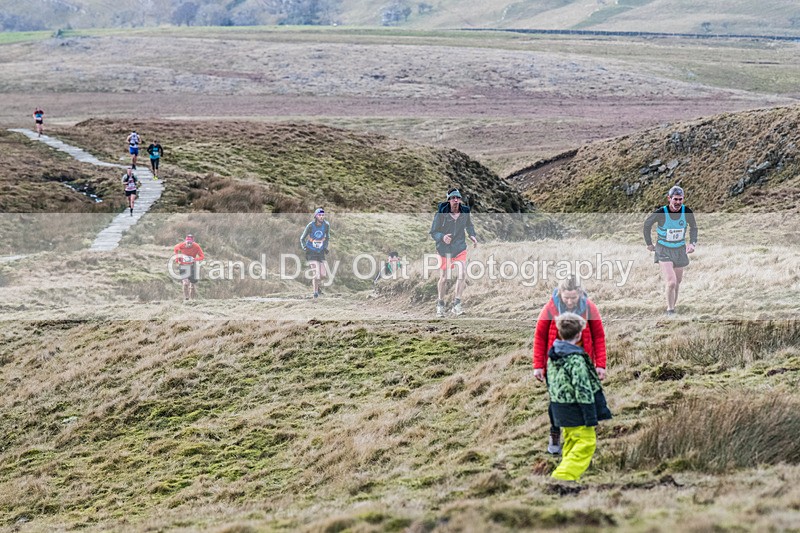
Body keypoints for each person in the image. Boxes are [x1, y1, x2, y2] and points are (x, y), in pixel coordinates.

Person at [533, 275, 607, 455]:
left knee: (582, 398)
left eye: (573, 298)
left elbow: (598, 336)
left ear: (580, 294)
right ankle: (555, 432)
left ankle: (580, 435)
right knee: (557, 400)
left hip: (582, 362)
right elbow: (540, 336)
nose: (570, 301)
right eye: (566, 298)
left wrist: (600, 364)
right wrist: (538, 365)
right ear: (560, 294)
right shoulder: (550, 308)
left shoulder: (589, 308)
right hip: (556, 365)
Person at [546, 312, 612, 483]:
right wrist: (590, 416)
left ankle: (567, 479)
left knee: (571, 443)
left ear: (560, 332)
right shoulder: (576, 359)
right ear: (579, 334)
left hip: (560, 409)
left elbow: (551, 383)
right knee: (586, 443)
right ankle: (562, 478)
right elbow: (583, 389)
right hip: (576, 410)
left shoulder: (553, 355)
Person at [643, 185, 698, 315]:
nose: (678, 202)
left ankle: (673, 306)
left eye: (680, 199)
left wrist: (692, 244)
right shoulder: (661, 213)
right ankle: (670, 310)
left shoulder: (687, 212)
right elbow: (647, 225)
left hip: (679, 250)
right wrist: (649, 244)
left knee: (677, 282)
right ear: (669, 198)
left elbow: (694, 228)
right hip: (663, 249)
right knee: (671, 282)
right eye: (675, 199)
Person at [429, 188, 478, 317]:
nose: (456, 200)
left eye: (458, 198)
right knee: (444, 278)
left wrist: (472, 235)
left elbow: (469, 225)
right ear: (449, 200)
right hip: (444, 249)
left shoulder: (465, 211)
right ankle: (440, 305)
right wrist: (442, 237)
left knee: (462, 273)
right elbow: (433, 232)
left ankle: (456, 305)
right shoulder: (441, 214)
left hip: (459, 247)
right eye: (453, 198)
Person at [300, 208, 331, 299]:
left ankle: (316, 284)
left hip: (320, 251)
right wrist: (304, 247)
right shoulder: (310, 225)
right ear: (316, 216)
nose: (321, 217)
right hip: (311, 251)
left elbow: (327, 237)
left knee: (323, 275)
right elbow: (302, 238)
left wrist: (325, 247)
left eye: (323, 215)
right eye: (319, 215)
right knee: (316, 274)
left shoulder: (326, 225)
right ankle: (315, 293)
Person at [173, 234, 205, 301]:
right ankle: (186, 299)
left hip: (192, 265)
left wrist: (194, 259)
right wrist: (177, 259)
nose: (189, 244)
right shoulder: (180, 246)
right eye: (188, 243)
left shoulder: (196, 246)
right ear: (185, 241)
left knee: (192, 285)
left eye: (191, 243)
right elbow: (175, 250)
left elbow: (202, 256)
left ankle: (192, 300)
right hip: (183, 265)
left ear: (193, 242)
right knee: (185, 283)